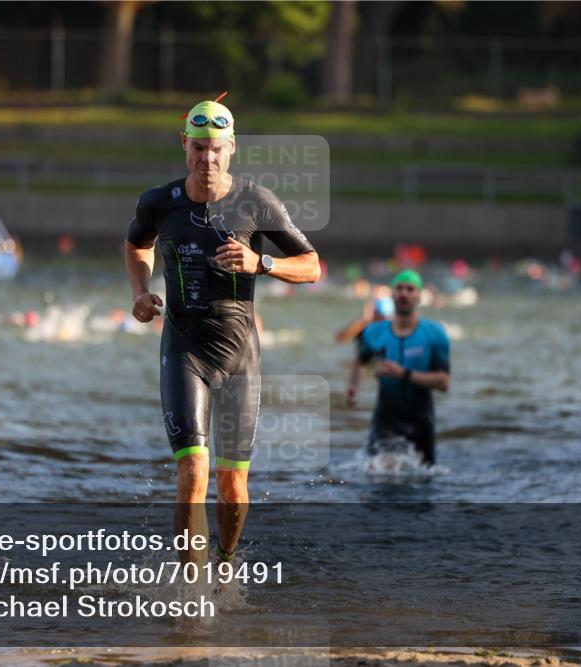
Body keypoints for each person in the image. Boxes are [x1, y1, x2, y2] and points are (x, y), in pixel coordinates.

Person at [123, 98, 321, 568]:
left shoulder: (256, 202)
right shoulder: (158, 202)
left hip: (240, 359)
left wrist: (262, 263)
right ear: (183, 146)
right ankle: (193, 590)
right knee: (193, 469)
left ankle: (225, 561)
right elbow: (136, 244)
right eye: (197, 149)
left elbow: (312, 265)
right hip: (183, 348)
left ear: (231, 148)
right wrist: (140, 290)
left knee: (232, 488)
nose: (206, 160)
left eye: (215, 149)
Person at [346, 269, 450, 466]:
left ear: (419, 296)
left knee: (423, 483)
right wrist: (353, 387)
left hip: (421, 423)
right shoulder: (374, 332)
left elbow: (444, 382)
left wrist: (404, 374)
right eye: (399, 288)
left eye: (410, 289)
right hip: (385, 420)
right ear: (392, 294)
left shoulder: (434, 333)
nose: (404, 293)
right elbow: (359, 360)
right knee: (377, 481)